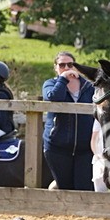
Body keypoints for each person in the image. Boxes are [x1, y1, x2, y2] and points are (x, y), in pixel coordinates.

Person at [42, 51, 95, 190]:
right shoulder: (50, 84)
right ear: (55, 67)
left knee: (84, 188)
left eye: (70, 64)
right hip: (57, 147)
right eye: (62, 65)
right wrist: (63, 79)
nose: (66, 68)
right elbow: (54, 97)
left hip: (85, 148)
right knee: (64, 188)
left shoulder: (89, 87)